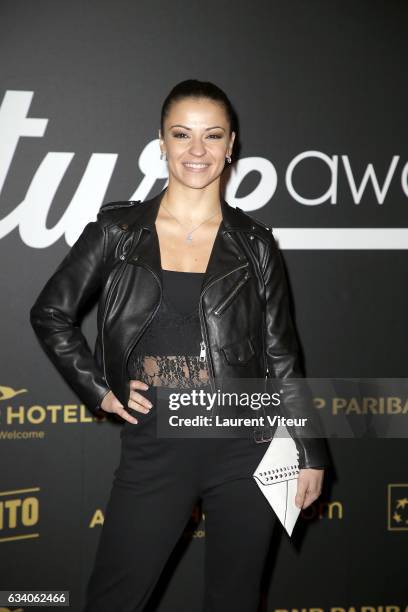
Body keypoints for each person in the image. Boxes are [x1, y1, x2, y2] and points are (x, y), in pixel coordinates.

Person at [30, 79, 331, 612]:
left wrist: (310, 451)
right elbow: (51, 312)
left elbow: (282, 354)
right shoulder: (117, 231)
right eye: (182, 135)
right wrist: (98, 388)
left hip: (251, 449)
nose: (197, 150)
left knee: (234, 601)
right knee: (113, 600)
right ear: (161, 142)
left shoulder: (256, 243)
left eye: (212, 136)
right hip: (156, 451)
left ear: (231, 144)